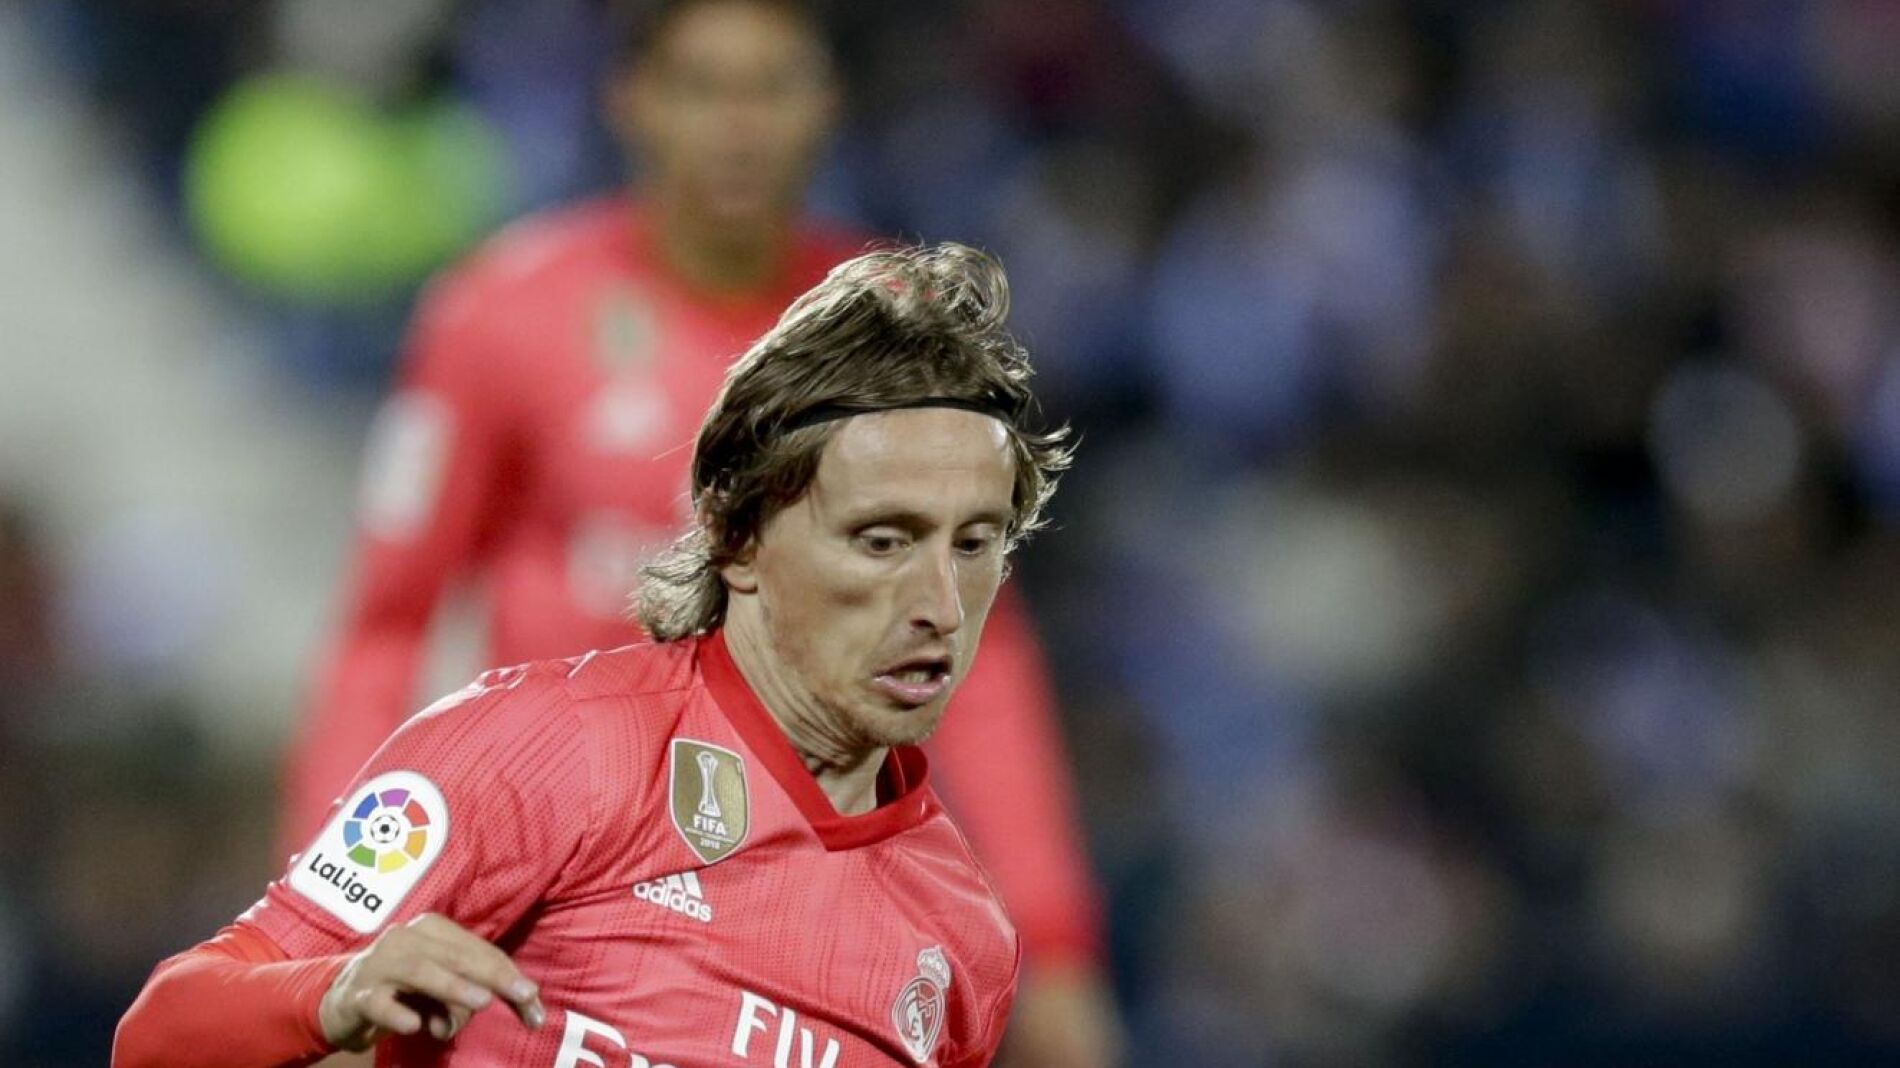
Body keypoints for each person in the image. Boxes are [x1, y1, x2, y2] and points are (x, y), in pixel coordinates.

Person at [280, 2, 1120, 1062]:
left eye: (770, 87)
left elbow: (976, 649)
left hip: (806, 907)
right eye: (703, 88)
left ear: (825, 106)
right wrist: (340, 918)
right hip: (540, 889)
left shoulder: (895, 333)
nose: (738, 127)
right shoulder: (504, 312)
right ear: (631, 101)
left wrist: (1051, 934)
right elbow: (387, 626)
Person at [116, 243, 1070, 1067]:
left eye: (975, 543)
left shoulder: (963, 937)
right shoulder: (535, 753)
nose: (940, 605)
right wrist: (331, 992)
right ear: (736, 534)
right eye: (882, 540)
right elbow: (160, 1032)